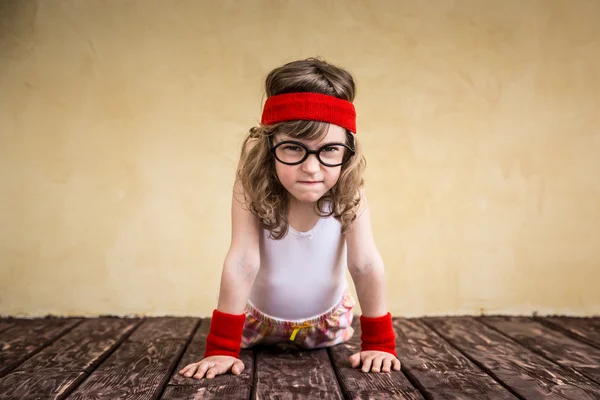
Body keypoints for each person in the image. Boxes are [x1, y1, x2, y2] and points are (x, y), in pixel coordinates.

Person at [179, 57, 400, 380]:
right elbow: (242, 260)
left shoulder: (349, 189)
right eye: (294, 148)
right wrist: (222, 348)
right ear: (270, 147)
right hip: (254, 325)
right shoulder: (251, 185)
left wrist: (380, 343)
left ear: (347, 150)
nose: (311, 168)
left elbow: (365, 262)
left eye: (329, 150)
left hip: (329, 325)